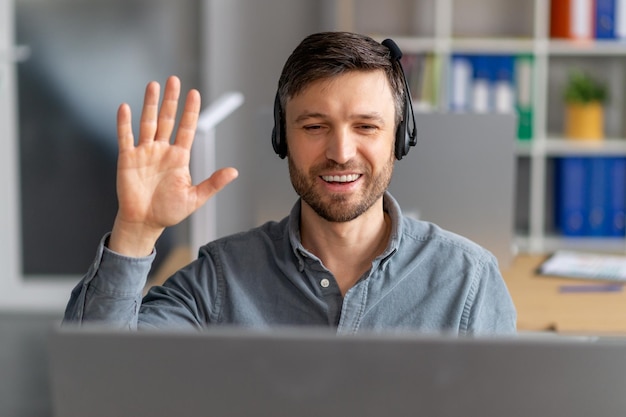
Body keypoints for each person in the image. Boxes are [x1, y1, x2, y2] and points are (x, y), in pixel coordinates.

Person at [64, 31, 516, 334]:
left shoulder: (467, 282)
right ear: (282, 137)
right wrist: (136, 232)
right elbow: (101, 375)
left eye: (365, 126)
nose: (341, 151)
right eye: (315, 126)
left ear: (399, 138)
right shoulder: (223, 279)